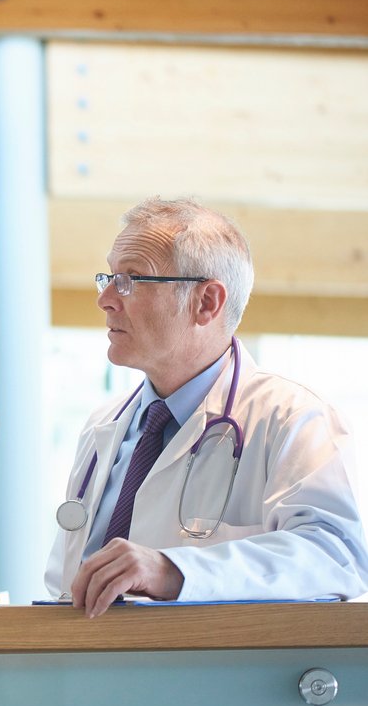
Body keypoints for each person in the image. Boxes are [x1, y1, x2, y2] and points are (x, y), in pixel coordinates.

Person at [46, 198, 368, 618]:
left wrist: (174, 571)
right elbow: (64, 579)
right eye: (108, 277)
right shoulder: (103, 425)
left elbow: (334, 554)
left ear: (207, 302)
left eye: (132, 280)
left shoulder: (289, 418)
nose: (105, 299)